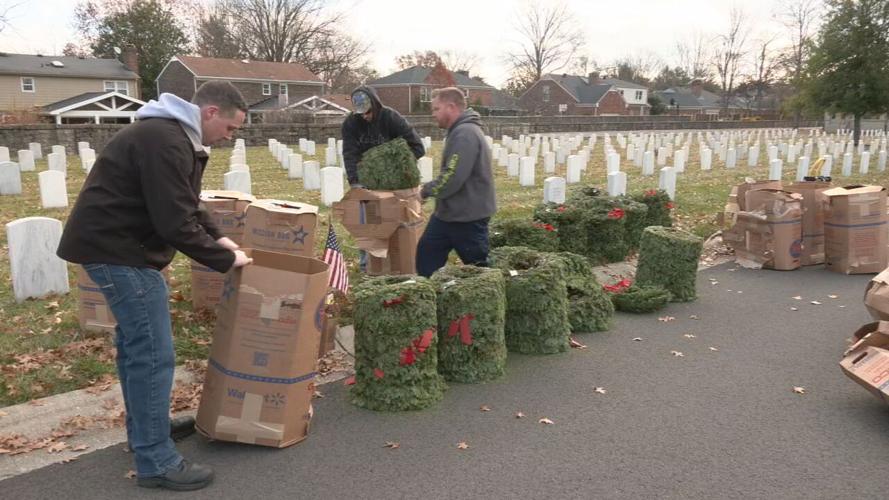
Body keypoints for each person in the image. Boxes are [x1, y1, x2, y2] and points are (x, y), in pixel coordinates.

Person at [57, 81, 252, 491]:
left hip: (118, 246)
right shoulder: (165, 139)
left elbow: (187, 201)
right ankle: (156, 460)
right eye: (231, 129)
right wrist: (224, 260)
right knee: (153, 353)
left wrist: (219, 237)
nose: (229, 137)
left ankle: (145, 433)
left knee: (135, 348)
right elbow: (173, 222)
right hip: (119, 251)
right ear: (211, 112)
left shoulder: (172, 134)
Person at [341, 85, 425, 270]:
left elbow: (417, 147)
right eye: (360, 113)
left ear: (376, 105)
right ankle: (369, 265)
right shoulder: (351, 124)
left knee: (397, 225)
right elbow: (350, 153)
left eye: (368, 112)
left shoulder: (391, 118)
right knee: (368, 224)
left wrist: (389, 167)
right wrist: (355, 183)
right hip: (368, 182)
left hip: (396, 183)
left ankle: (403, 260)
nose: (365, 116)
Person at [416, 87, 496, 277]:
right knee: (426, 257)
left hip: (468, 216)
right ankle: (431, 298)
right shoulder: (460, 131)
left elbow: (453, 176)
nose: (433, 114)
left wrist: (425, 191)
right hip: (448, 214)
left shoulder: (465, 134)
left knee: (479, 270)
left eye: (436, 109)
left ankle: (492, 300)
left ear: (451, 107)